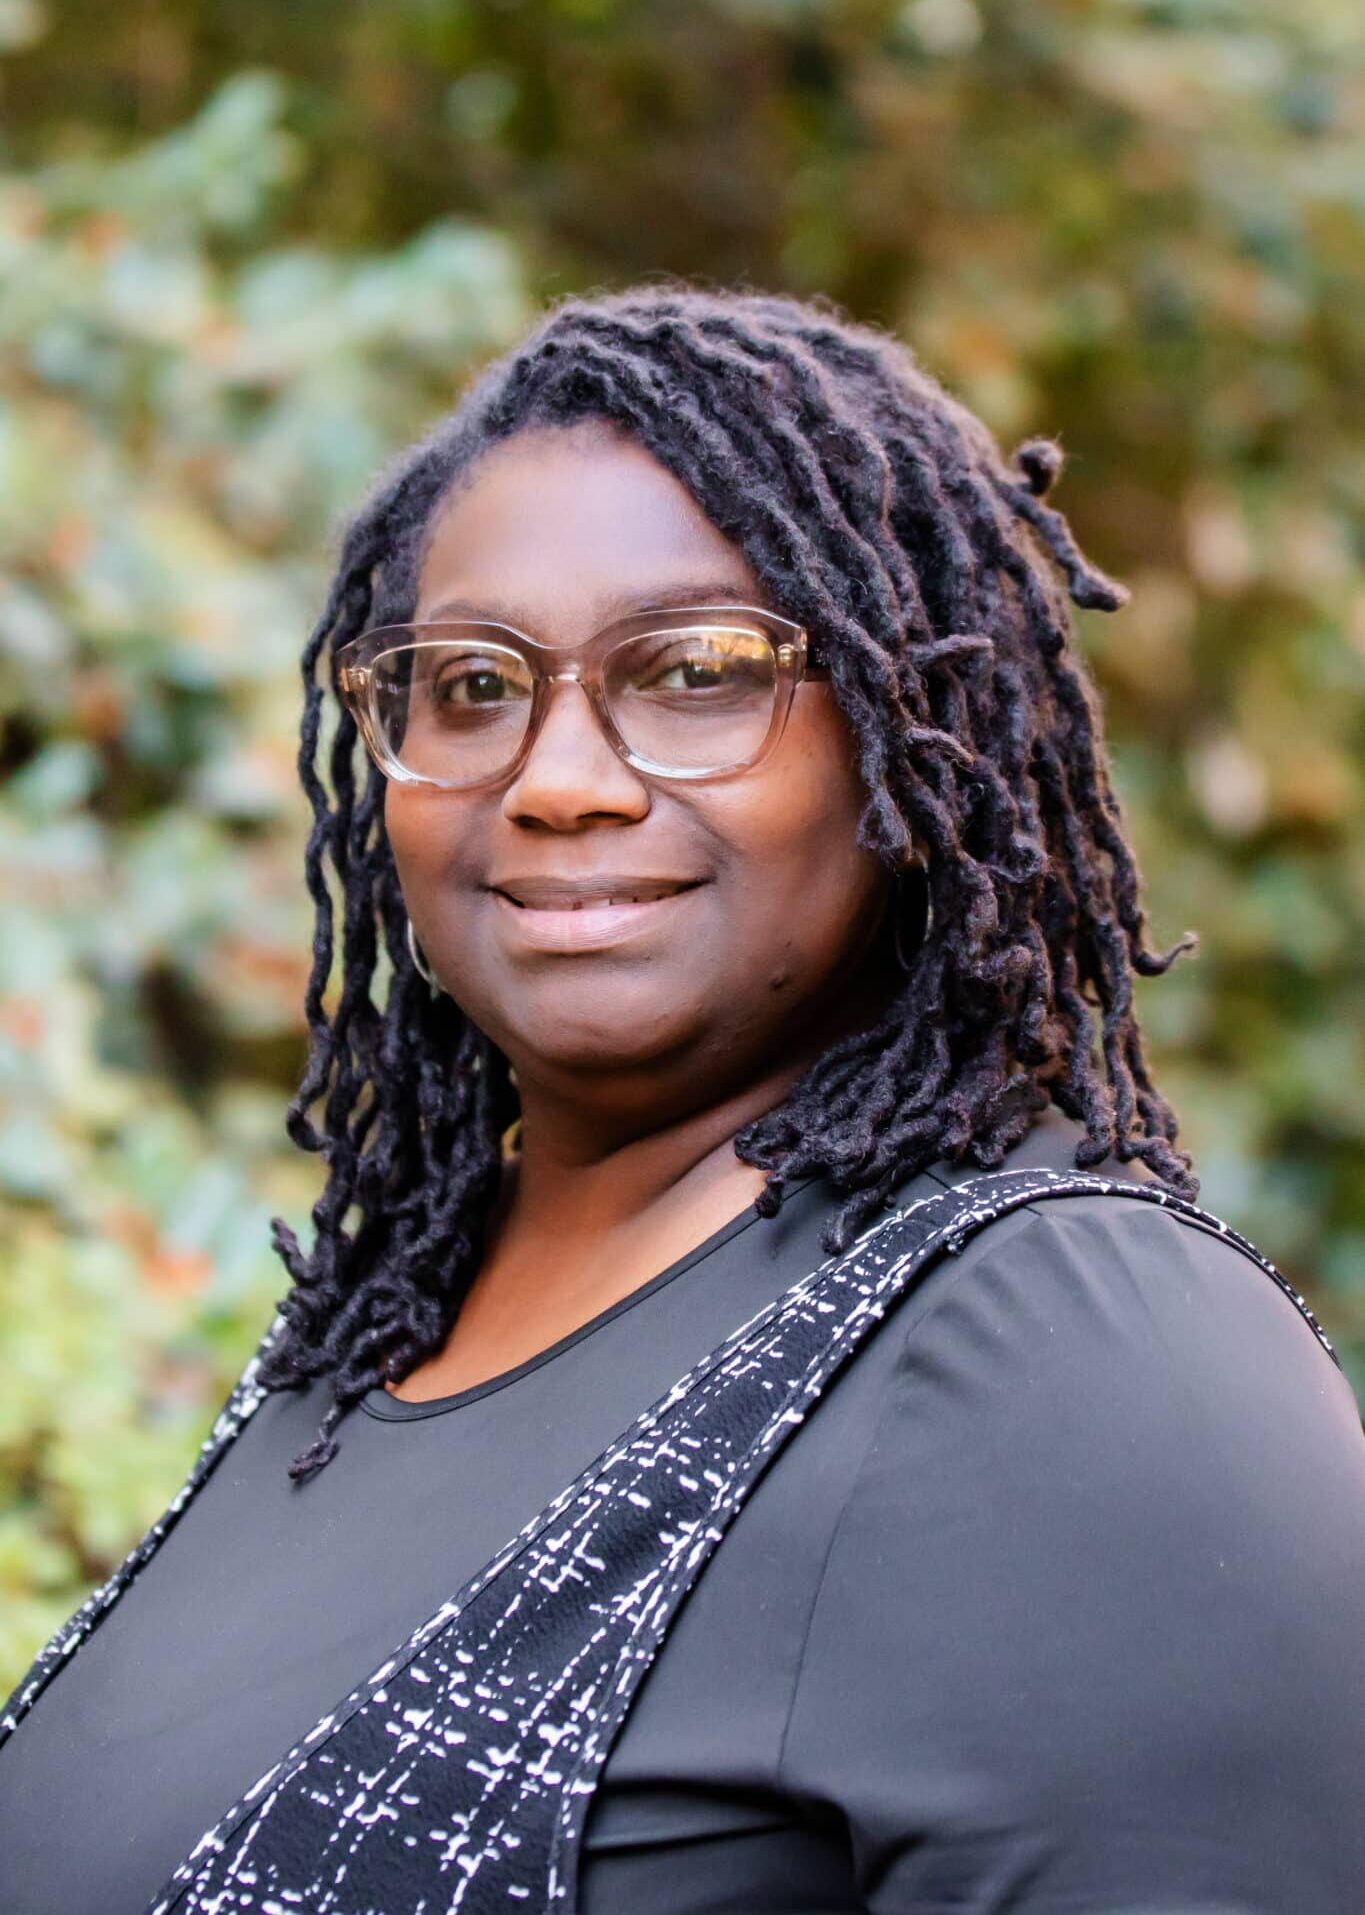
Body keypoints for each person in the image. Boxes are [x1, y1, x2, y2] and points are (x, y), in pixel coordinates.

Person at [2, 283, 1362, 1915]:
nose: (559, 780)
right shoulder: (373, 1339)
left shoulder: (1060, 1347)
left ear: (902, 737)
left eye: (698, 671)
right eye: (473, 686)